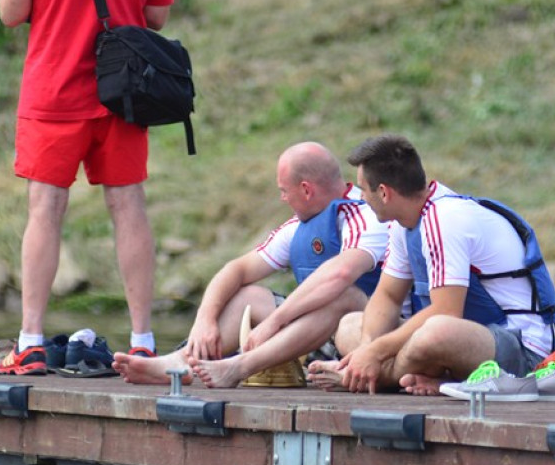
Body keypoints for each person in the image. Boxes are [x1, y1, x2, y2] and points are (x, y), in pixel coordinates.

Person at [0, 0, 175, 374]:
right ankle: (143, 340)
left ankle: (29, 340)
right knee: (129, 208)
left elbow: (9, 13)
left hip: (53, 93)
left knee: (45, 209)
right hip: (121, 95)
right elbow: (157, 18)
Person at [112, 142, 390, 388]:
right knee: (247, 296)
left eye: (284, 190)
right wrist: (203, 320)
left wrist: (273, 323)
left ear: (306, 189)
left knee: (344, 295)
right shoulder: (301, 225)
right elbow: (236, 270)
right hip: (318, 336)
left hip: (369, 335)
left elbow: (340, 274)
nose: (282, 198)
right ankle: (182, 360)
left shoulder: (368, 215)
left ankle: (240, 366)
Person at [308, 134, 555, 395]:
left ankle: (371, 378)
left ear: (383, 192)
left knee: (434, 333)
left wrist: (375, 353)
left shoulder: (445, 219)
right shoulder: (403, 222)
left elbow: (446, 312)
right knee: (350, 325)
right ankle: (388, 374)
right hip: (463, 339)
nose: (361, 197)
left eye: (363, 189)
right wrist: (365, 349)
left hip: (524, 351)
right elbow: (388, 297)